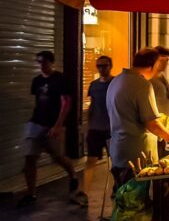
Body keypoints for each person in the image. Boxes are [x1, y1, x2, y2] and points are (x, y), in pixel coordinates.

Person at [107, 48, 169, 189]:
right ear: (152, 65)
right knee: (136, 201)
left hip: (118, 150)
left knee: (123, 198)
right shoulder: (142, 85)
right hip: (137, 154)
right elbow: (152, 123)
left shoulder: (116, 81)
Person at [18, 51, 84, 207]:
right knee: (30, 157)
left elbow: (66, 102)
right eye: (39, 62)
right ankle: (31, 193)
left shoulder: (60, 80)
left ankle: (72, 175)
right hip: (36, 123)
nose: (41, 65)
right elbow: (37, 101)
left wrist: (58, 125)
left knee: (57, 157)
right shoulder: (37, 81)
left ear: (51, 63)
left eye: (44, 62)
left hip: (53, 124)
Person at [84, 56, 114, 199]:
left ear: (110, 66)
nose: (102, 69)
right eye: (99, 66)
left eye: (105, 66)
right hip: (96, 128)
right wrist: (88, 125)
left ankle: (117, 188)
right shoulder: (94, 85)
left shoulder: (114, 83)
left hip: (111, 128)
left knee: (115, 161)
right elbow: (92, 105)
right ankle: (84, 191)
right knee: (91, 160)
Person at [150, 46, 169, 116]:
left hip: (165, 119)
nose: (165, 63)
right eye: (161, 60)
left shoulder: (162, 75)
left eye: (167, 60)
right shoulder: (149, 78)